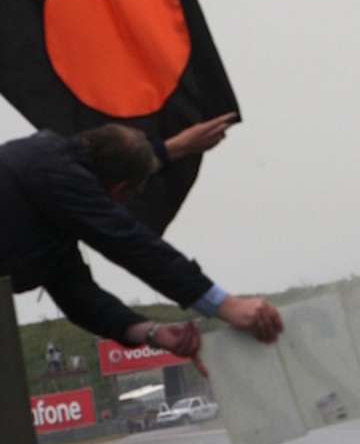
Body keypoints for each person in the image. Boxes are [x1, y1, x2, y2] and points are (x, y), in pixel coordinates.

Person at [0, 116, 283, 374]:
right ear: (120, 191)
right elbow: (133, 244)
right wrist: (224, 304)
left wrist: (152, 333)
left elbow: (80, 298)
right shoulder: (56, 176)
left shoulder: (48, 185)